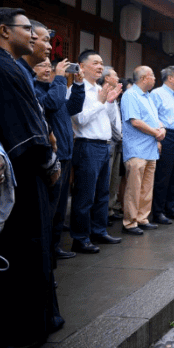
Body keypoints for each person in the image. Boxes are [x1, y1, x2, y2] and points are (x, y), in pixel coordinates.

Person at [0, 7, 63, 346]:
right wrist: (49, 164)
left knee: (37, 247)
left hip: (27, 168)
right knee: (23, 249)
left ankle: (41, 318)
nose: (35, 38)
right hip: (20, 171)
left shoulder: (13, 67)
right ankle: (22, 330)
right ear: (5, 31)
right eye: (28, 30)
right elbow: (25, 130)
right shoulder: (2, 68)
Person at [33, 54, 86, 261]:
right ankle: (45, 251)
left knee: (60, 207)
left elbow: (73, 107)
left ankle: (54, 247)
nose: (48, 69)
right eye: (42, 65)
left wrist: (79, 85)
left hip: (65, 155)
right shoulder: (36, 91)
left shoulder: (55, 88)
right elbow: (53, 104)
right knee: (50, 207)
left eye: (50, 66)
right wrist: (60, 78)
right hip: (50, 159)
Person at [70, 50, 122, 252]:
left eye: (102, 63)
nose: (100, 66)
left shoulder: (101, 89)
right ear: (82, 67)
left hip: (104, 145)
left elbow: (107, 119)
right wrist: (102, 102)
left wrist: (108, 102)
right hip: (87, 145)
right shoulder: (77, 89)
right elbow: (80, 120)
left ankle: (99, 231)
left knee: (102, 193)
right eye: (95, 63)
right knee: (85, 195)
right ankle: (80, 238)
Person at [119, 66, 163, 235]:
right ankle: (130, 222)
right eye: (152, 76)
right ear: (145, 78)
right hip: (136, 148)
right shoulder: (131, 95)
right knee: (134, 187)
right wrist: (156, 133)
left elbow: (155, 120)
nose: (154, 79)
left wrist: (161, 129)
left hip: (150, 147)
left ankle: (142, 218)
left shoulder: (149, 97)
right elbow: (135, 121)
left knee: (146, 187)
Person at [150, 66, 174, 224]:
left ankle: (172, 208)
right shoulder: (156, 94)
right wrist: (158, 138)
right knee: (163, 175)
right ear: (170, 78)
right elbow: (153, 116)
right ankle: (158, 211)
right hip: (165, 135)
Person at [98, 66, 124, 223]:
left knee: (114, 178)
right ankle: (103, 212)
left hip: (116, 141)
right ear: (107, 78)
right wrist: (118, 136)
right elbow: (108, 121)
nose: (118, 78)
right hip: (109, 141)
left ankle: (110, 209)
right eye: (115, 75)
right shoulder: (102, 93)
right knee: (105, 181)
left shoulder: (114, 95)